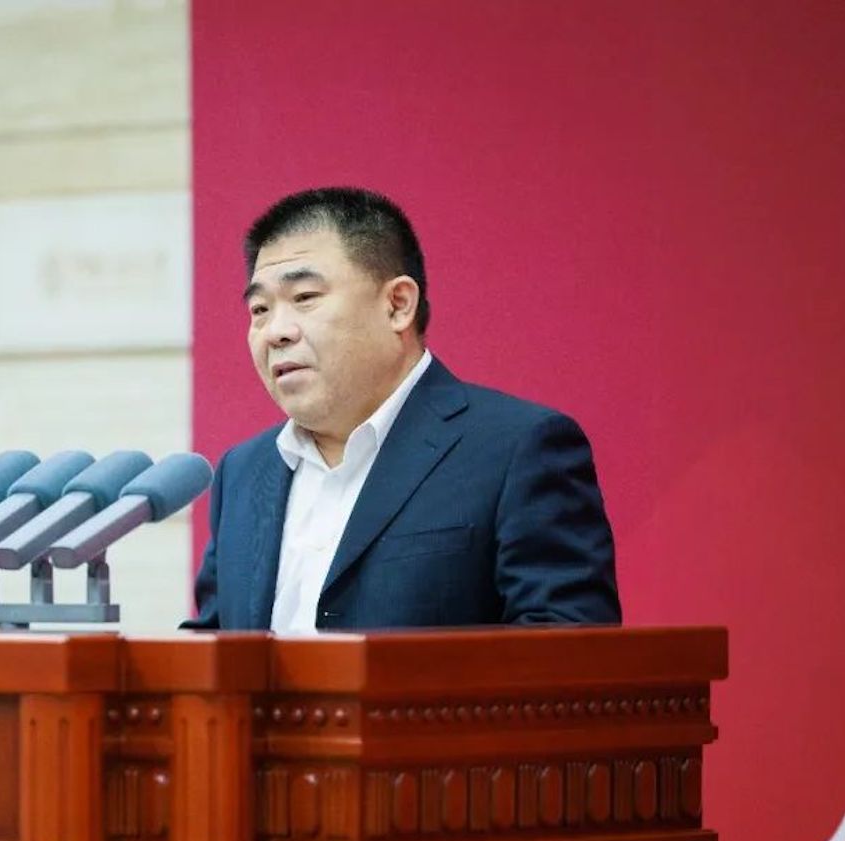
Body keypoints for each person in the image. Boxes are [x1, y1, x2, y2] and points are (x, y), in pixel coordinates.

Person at [188, 187, 620, 631]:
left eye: (305, 297)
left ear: (398, 305)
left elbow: (567, 647)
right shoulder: (243, 472)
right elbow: (214, 643)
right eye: (259, 309)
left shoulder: (516, 450)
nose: (275, 331)